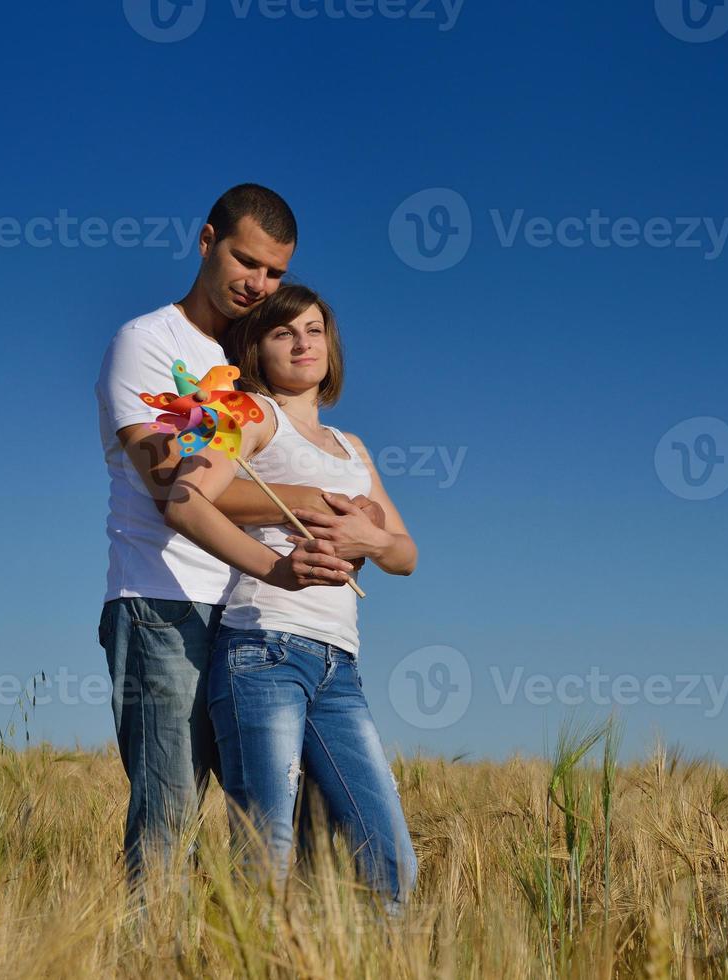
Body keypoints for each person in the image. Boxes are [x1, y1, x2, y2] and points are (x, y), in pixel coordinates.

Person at [94, 184, 381, 886]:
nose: (258, 284)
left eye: (275, 272)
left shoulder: (258, 353)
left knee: (293, 819)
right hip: (163, 601)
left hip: (259, 620)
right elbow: (169, 482)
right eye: (245, 261)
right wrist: (310, 500)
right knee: (170, 813)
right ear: (206, 241)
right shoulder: (148, 342)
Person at [163, 284, 419, 908]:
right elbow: (185, 498)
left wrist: (370, 537)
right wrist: (277, 565)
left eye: (314, 329)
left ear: (331, 345)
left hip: (341, 665)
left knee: (391, 864)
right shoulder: (249, 416)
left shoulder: (353, 447)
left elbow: (406, 555)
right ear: (256, 347)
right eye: (284, 332)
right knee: (265, 858)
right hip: (264, 649)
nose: (303, 342)